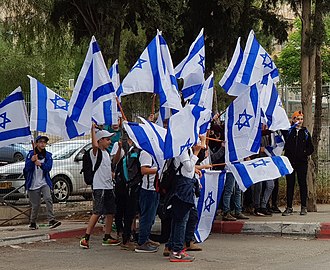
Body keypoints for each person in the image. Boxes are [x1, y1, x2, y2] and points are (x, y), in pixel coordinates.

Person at [79, 125, 121, 249]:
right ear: (100, 140)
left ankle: (107, 236)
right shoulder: (95, 153)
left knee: (110, 212)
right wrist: (92, 130)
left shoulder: (106, 153)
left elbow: (114, 162)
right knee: (97, 212)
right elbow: (95, 146)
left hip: (108, 186)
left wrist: (119, 149)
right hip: (99, 186)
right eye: (107, 139)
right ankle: (85, 237)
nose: (109, 141)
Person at [167, 144, 202, 262]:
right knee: (181, 219)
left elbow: (189, 169)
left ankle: (172, 246)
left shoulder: (185, 149)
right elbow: (188, 166)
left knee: (181, 218)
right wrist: (196, 153)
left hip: (185, 184)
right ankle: (177, 251)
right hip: (183, 187)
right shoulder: (181, 149)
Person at [24, 135, 61, 230]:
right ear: (36, 143)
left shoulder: (48, 155)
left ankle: (51, 220)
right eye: (40, 142)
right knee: (35, 205)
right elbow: (26, 168)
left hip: (44, 182)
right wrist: (32, 161)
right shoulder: (31, 154)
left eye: (44, 142)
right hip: (33, 184)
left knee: (48, 198)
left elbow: (48, 167)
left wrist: (40, 164)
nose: (42, 144)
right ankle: (33, 222)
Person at [282, 111, 314, 216]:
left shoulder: (305, 132)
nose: (299, 121)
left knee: (302, 184)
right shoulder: (289, 131)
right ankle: (289, 207)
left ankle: (303, 206)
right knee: (290, 184)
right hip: (290, 162)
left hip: (301, 163)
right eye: (297, 118)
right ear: (293, 119)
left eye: (301, 119)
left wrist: (304, 153)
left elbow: (311, 148)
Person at [134, 150, 160, 253]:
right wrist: (159, 170)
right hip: (148, 189)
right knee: (147, 217)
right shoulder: (146, 153)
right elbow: (144, 170)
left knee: (151, 217)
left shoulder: (154, 153)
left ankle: (146, 238)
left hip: (155, 188)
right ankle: (142, 242)